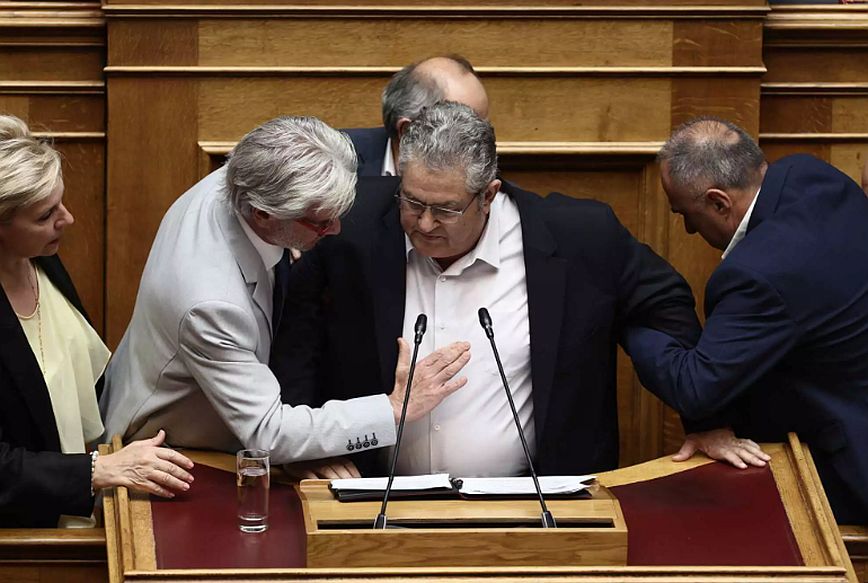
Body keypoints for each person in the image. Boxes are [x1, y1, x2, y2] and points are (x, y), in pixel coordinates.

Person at [273, 102, 701, 478]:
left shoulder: (580, 238)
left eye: (446, 209)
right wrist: (302, 450)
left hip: (536, 503)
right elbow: (296, 338)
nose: (424, 223)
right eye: (412, 202)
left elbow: (665, 303)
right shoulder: (351, 225)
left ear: (488, 195)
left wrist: (704, 419)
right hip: (374, 498)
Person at [100, 116, 471, 475]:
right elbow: (268, 433)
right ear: (263, 214)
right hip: (171, 453)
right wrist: (393, 409)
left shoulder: (246, 175)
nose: (336, 230)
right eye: (320, 222)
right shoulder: (210, 302)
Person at [625, 116, 868, 523]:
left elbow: (696, 387)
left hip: (848, 470)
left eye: (686, 214)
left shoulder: (760, 275)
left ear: (719, 203)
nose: (688, 229)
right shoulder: (810, 173)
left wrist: (632, 320)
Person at [0, 115, 194, 528]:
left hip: (78, 510)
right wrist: (95, 471)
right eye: (45, 216)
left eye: (60, 203)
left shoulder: (41, 261)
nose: (67, 219)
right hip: (24, 537)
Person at [345, 54, 489, 177]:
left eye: (484, 130)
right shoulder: (339, 161)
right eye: (466, 133)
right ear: (408, 132)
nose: (482, 147)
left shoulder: (483, 179)